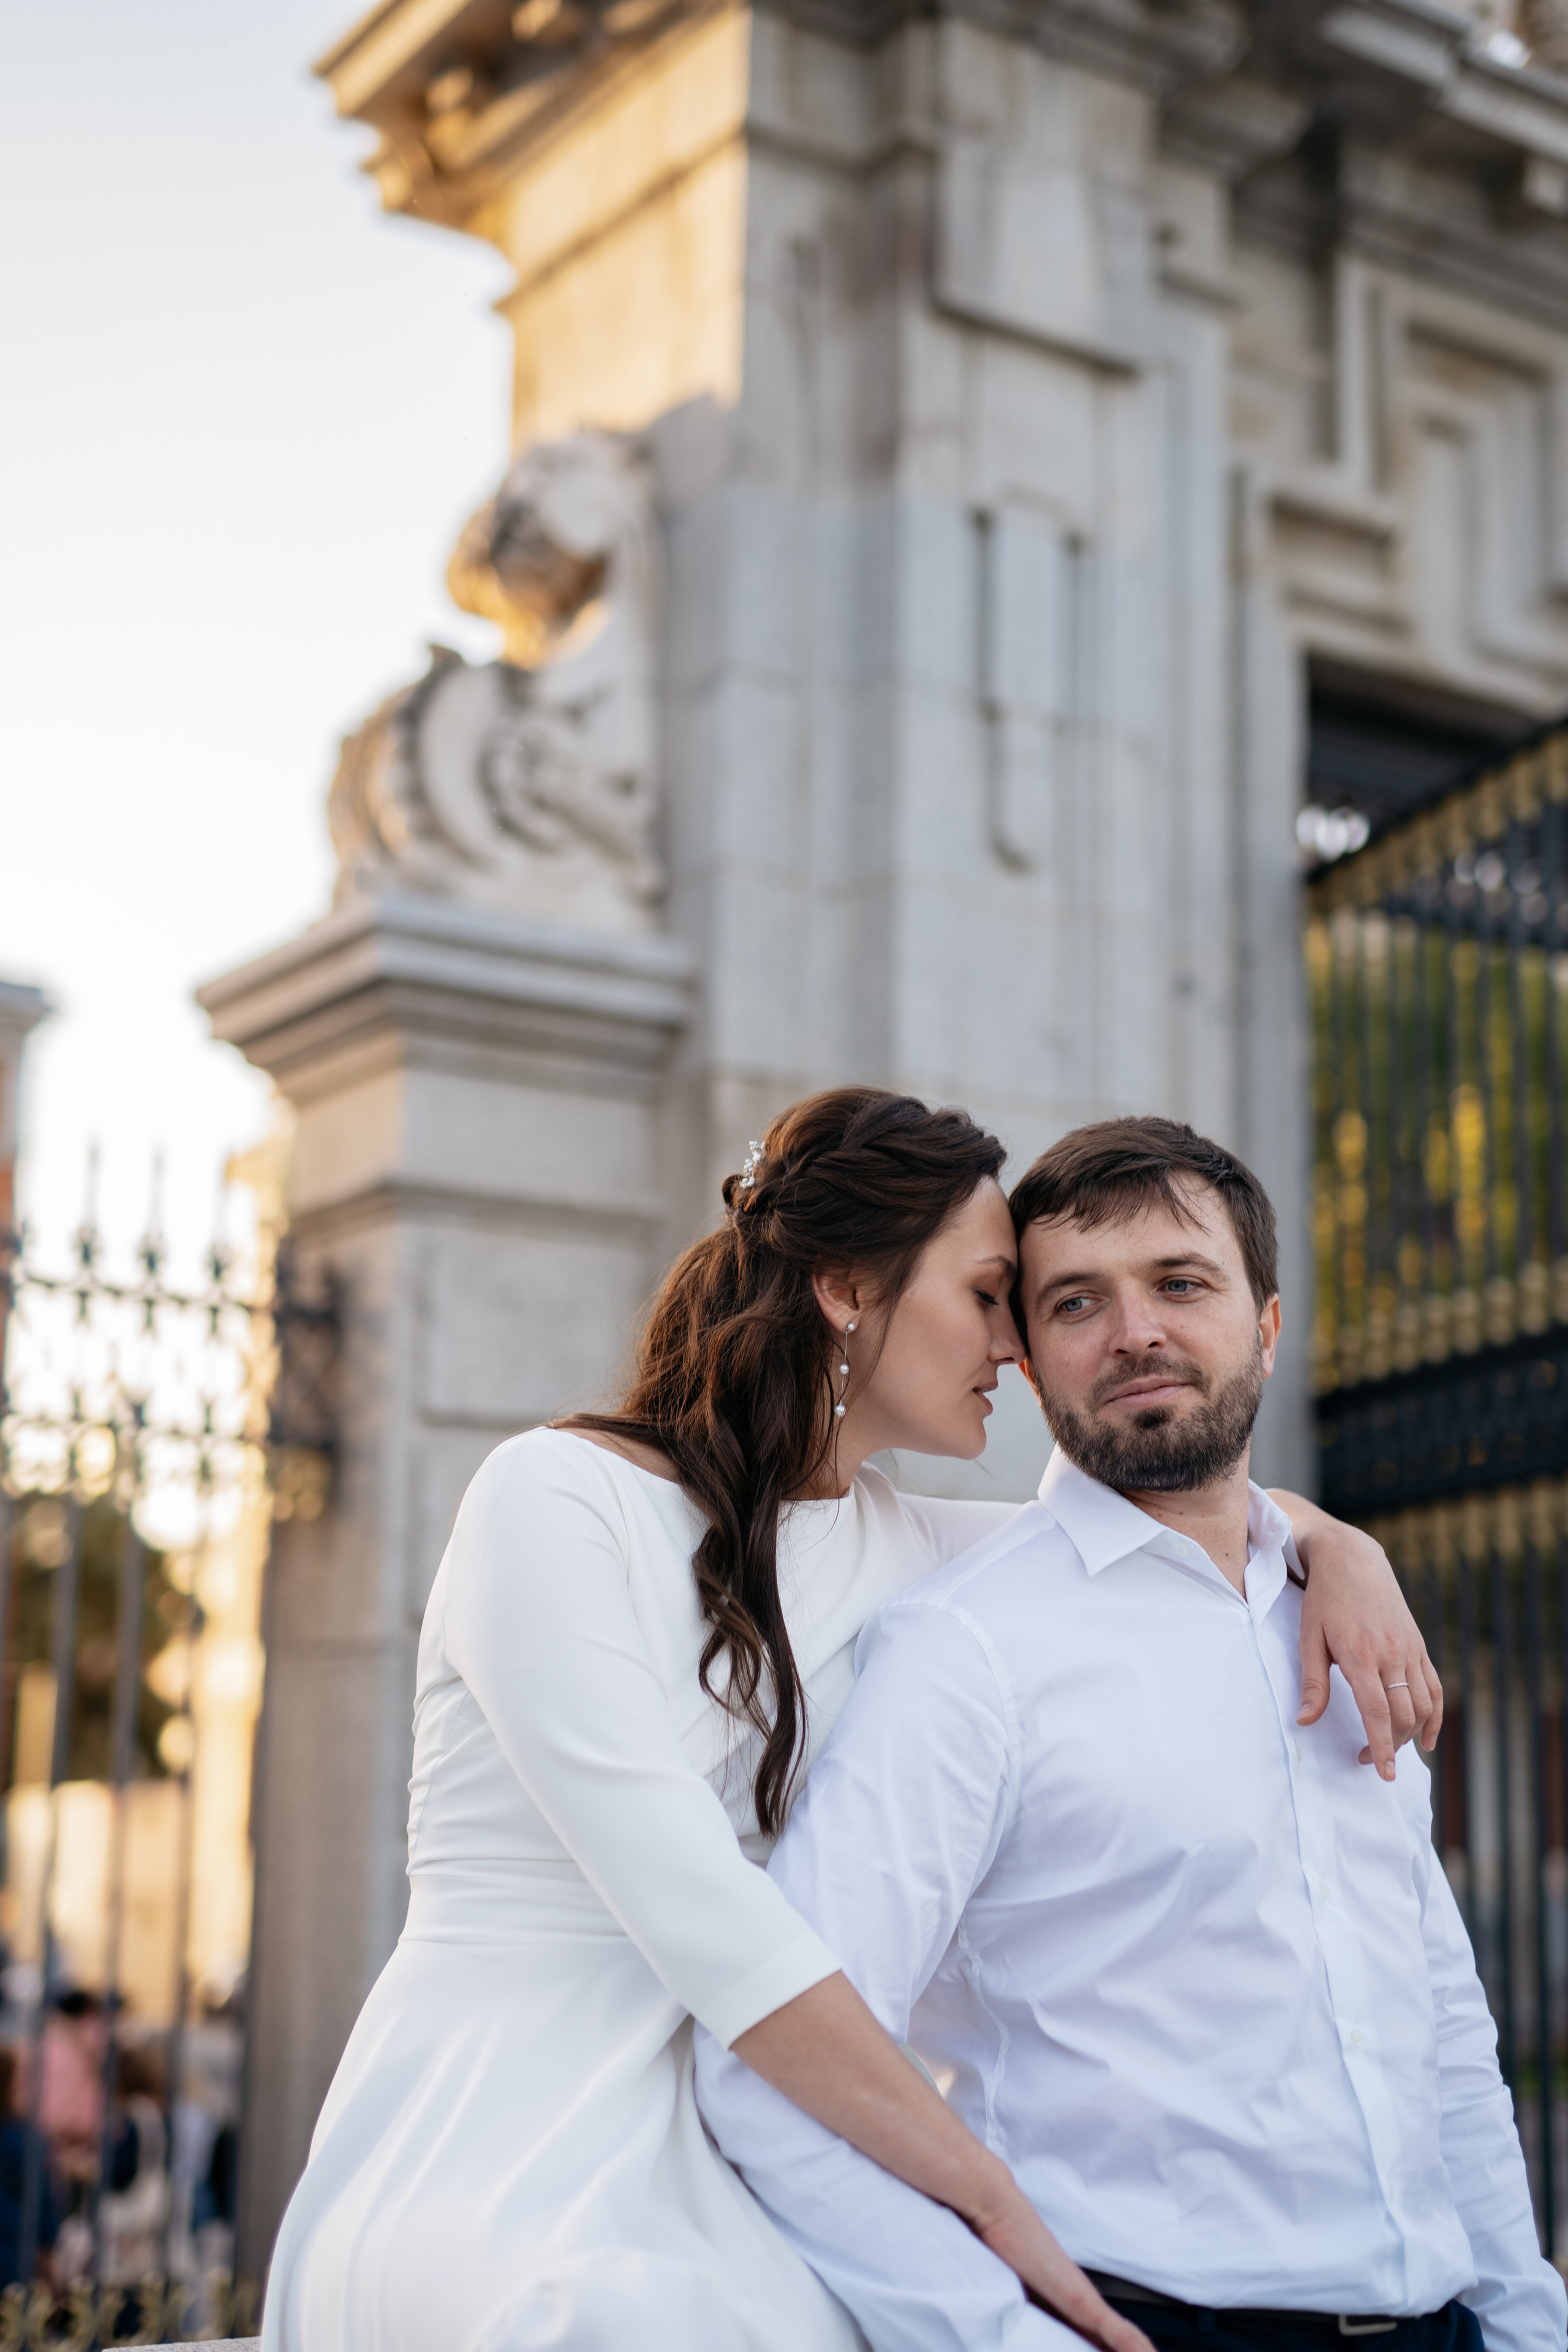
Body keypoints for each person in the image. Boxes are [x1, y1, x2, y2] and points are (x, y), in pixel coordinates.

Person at [263, 1090, 1440, 2352]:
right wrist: (987, 2196)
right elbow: (699, 1912)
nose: (1017, 1347)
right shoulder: (552, 1500)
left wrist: (1339, 1547)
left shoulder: (912, 1546)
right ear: (845, 1289)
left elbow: (1179, 1528)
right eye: (990, 1295)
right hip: (513, 2123)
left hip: (754, 2125)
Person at [695, 1117, 1558, 2352]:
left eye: (1180, 1283)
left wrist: (1524, 2319)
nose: (1135, 1331)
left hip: (1440, 2325)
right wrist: (1005, 2338)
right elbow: (773, 2077)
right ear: (1028, 1362)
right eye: (1076, 1302)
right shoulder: (965, 1651)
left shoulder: (1344, 1622)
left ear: (1267, 1326)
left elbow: (1441, 2025)